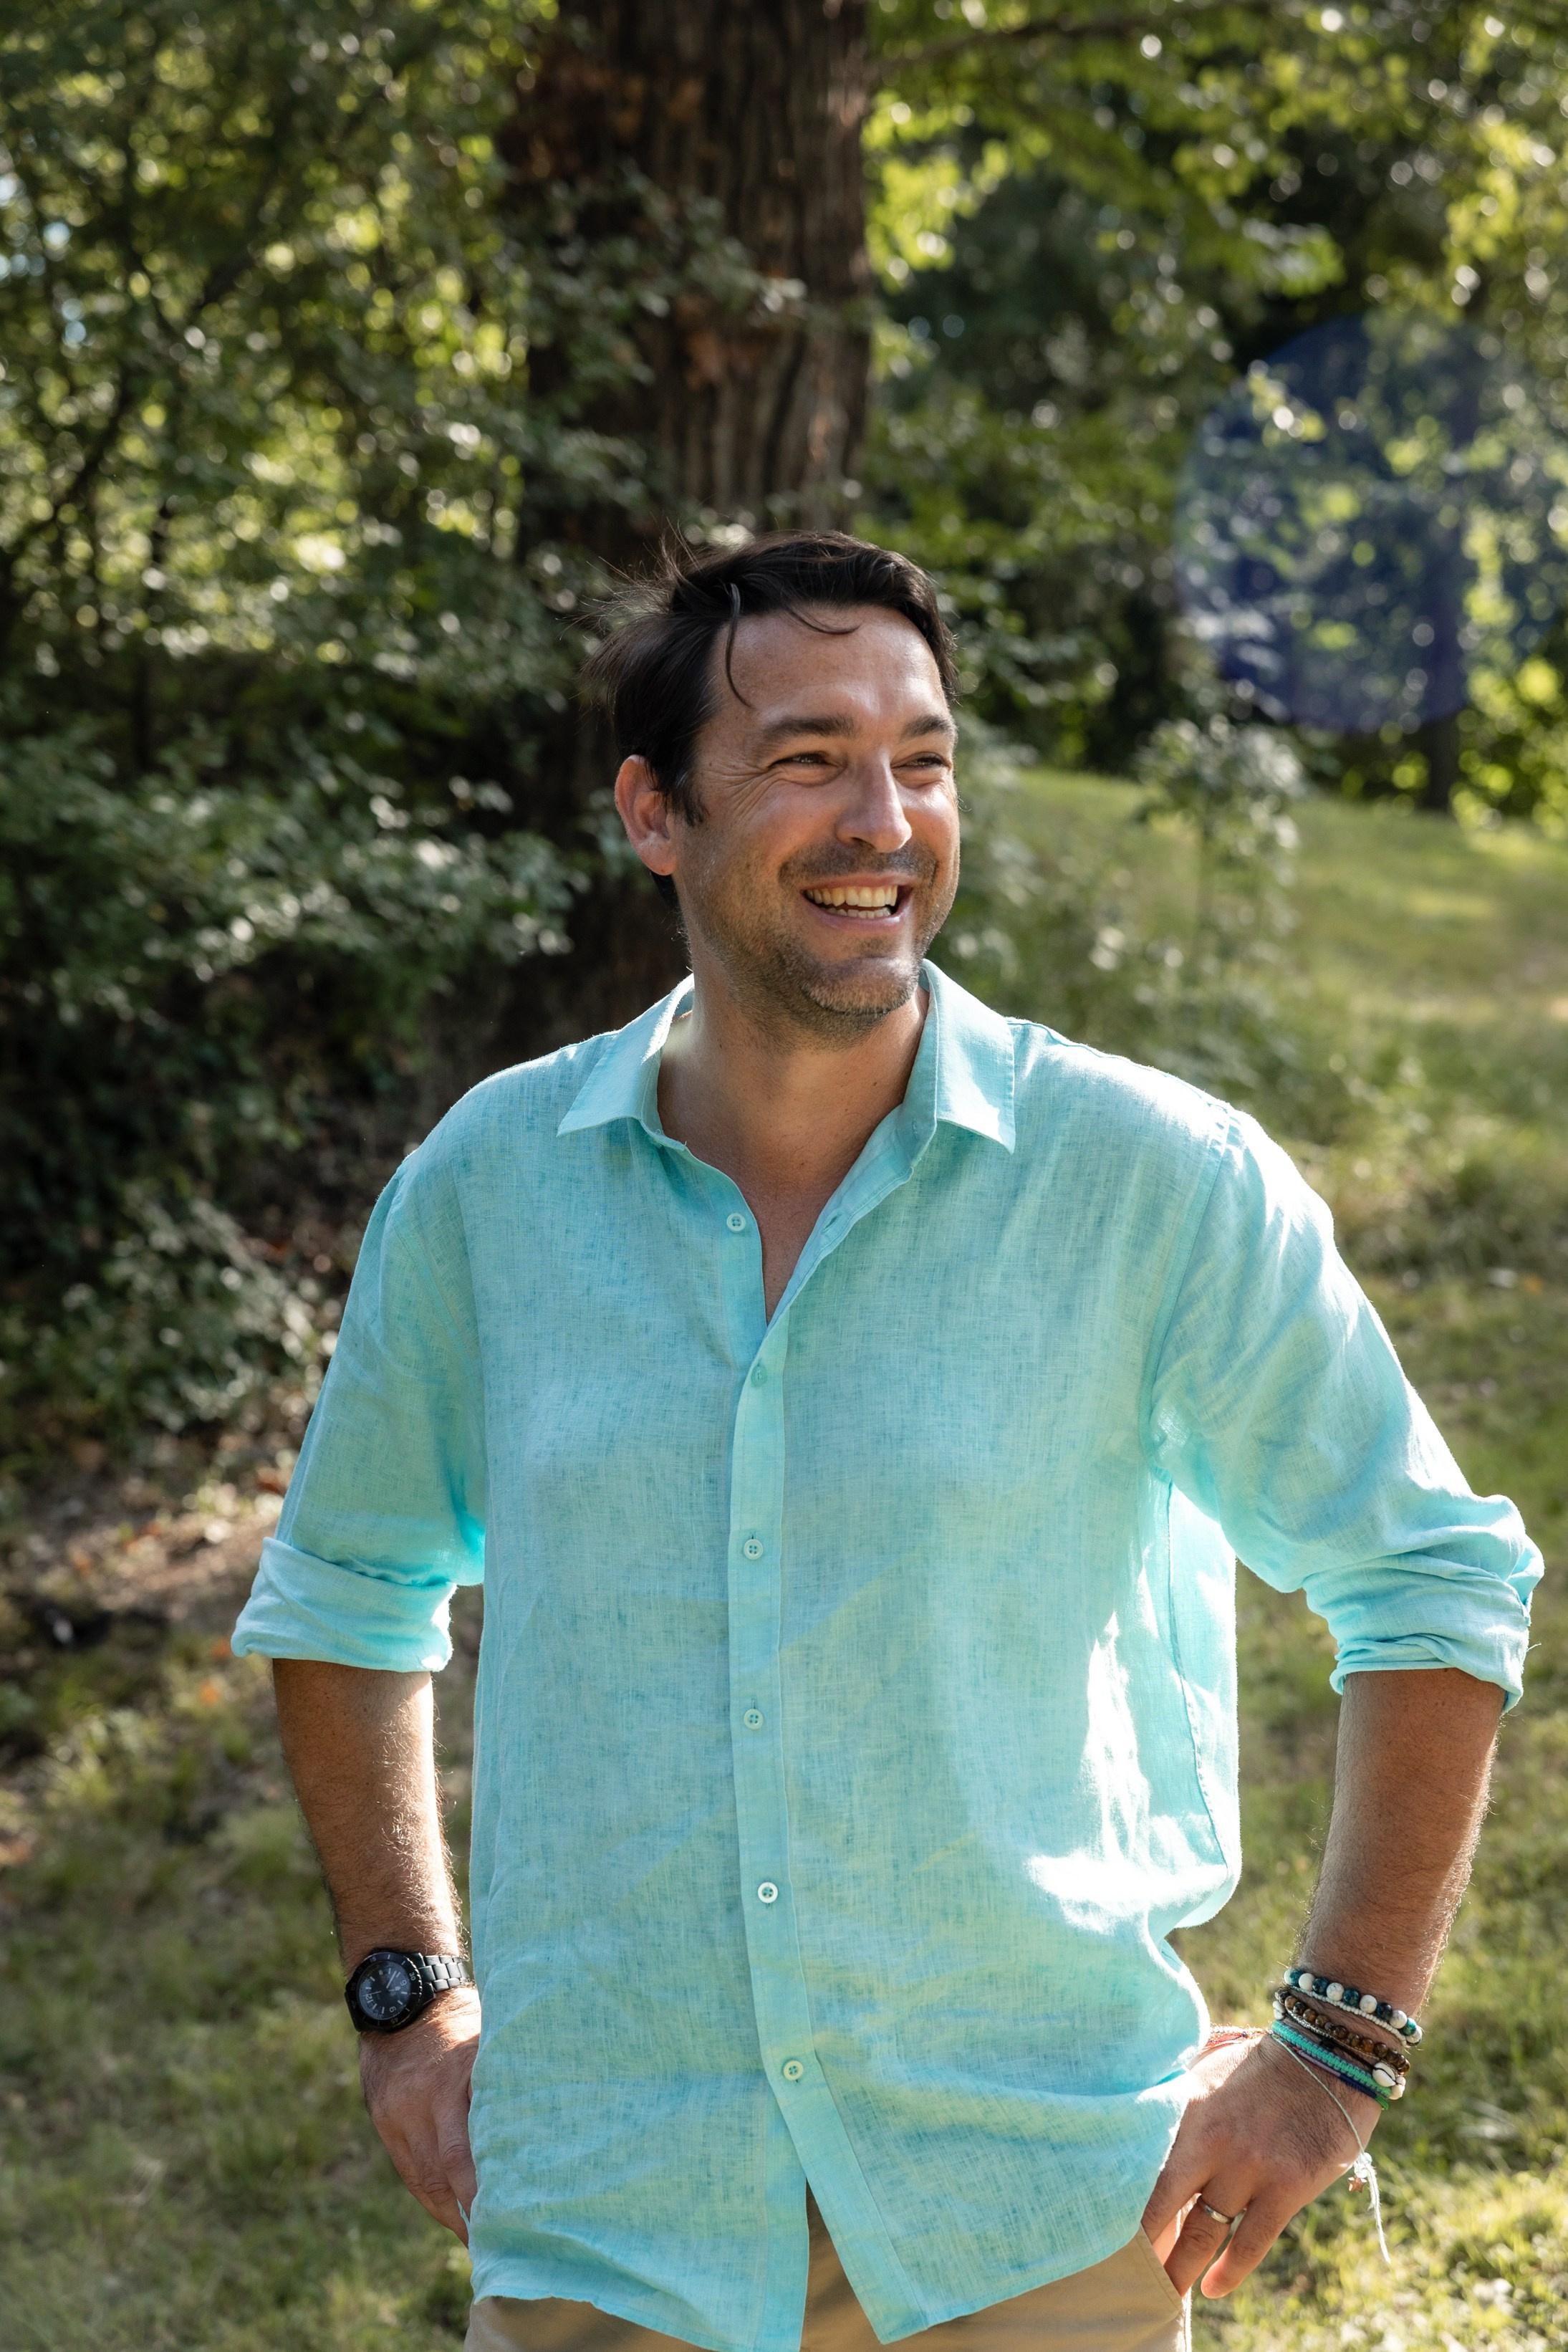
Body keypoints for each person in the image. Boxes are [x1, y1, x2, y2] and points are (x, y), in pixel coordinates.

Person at [234, 532, 1539, 2352]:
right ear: (653, 814)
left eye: (922, 760)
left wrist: (1336, 2043)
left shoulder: (1154, 1181)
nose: (884, 818)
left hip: (1040, 2221)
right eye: (806, 759)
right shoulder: (486, 1193)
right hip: (613, 2224)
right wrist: (407, 1993)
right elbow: (346, 1593)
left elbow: (1434, 1579)